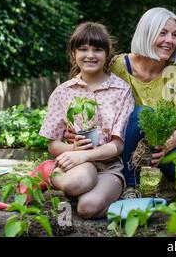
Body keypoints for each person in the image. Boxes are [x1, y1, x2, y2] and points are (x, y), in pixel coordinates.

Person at [39, 22, 135, 219]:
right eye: (83, 49)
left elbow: (118, 145)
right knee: (79, 182)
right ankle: (48, 172)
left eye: (97, 49)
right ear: (73, 53)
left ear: (107, 54)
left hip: (109, 166)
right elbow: (53, 143)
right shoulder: (63, 92)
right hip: (75, 164)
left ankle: (86, 193)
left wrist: (85, 155)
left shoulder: (121, 90)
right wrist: (75, 151)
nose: (90, 55)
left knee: (88, 208)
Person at [110, 8, 176, 201]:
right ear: (147, 33)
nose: (170, 40)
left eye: (175, 35)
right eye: (162, 33)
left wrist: (164, 147)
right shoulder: (118, 66)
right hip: (127, 141)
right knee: (143, 112)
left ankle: (167, 180)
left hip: (168, 141)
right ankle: (130, 184)